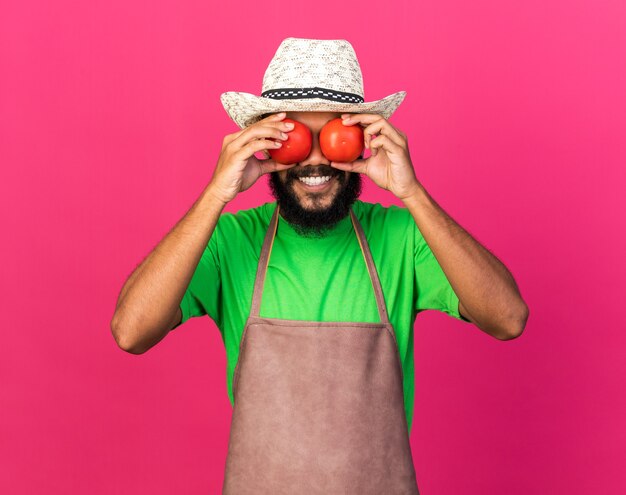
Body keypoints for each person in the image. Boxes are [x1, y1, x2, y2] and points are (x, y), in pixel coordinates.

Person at [111, 38, 529, 494]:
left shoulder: (403, 237)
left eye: (334, 138)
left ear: (363, 142)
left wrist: (412, 193)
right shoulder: (230, 241)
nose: (314, 160)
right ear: (265, 145)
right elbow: (131, 332)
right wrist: (215, 194)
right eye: (292, 139)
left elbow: (508, 319)